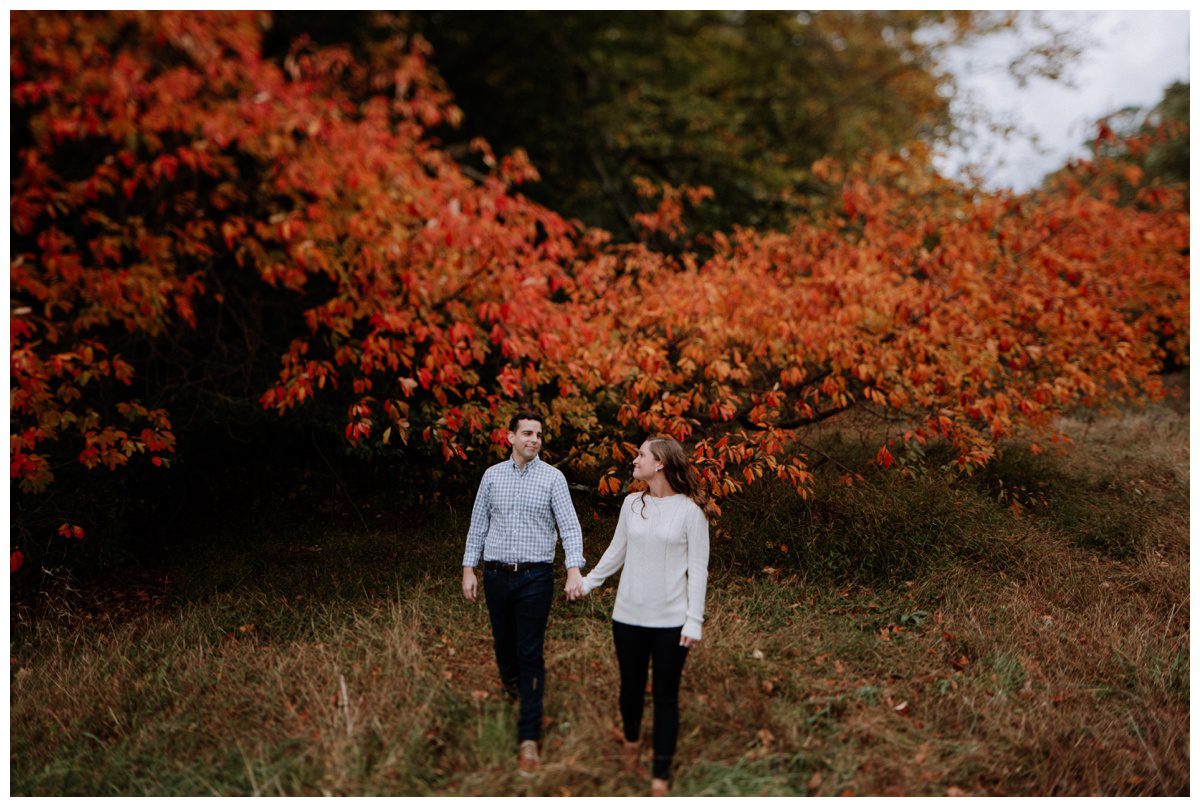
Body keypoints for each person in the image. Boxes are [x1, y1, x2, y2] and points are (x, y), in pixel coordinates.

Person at [569, 435, 710, 796]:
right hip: (628, 617)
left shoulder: (690, 512)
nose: (634, 461)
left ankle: (660, 774)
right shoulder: (632, 503)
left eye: (641, 455)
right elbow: (616, 551)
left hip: (671, 623)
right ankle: (631, 742)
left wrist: (694, 619)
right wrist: (588, 583)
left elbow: (698, 570)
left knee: (665, 696)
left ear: (660, 463)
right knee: (630, 689)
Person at [461, 411, 585, 775]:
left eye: (539, 434)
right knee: (504, 645)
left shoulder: (553, 478)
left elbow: (569, 526)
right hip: (496, 576)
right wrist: (469, 568)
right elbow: (478, 524)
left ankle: (529, 734)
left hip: (535, 577)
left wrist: (573, 568)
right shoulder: (492, 476)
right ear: (511, 437)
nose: (534, 439)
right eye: (527, 433)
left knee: (529, 650)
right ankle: (516, 694)